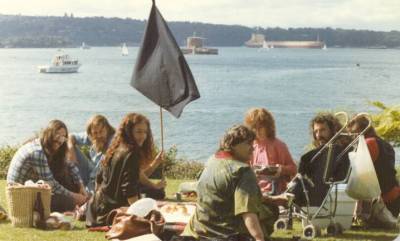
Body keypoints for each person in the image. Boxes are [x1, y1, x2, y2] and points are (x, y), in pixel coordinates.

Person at [182, 125, 278, 241]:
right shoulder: (243, 171)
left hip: (199, 230)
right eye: (248, 144)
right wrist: (259, 238)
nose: (253, 149)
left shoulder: (212, 160)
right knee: (271, 210)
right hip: (228, 234)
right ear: (234, 145)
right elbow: (248, 213)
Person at [86, 113, 165, 227]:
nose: (142, 136)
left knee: (156, 192)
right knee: (154, 199)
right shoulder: (131, 153)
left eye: (145, 132)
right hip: (110, 212)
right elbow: (129, 190)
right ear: (129, 131)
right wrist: (141, 216)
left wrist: (156, 164)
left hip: (96, 207)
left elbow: (135, 176)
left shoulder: (117, 146)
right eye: (138, 131)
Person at [7, 120, 88, 212]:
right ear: (49, 134)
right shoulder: (37, 153)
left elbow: (70, 165)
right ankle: (79, 204)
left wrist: (80, 186)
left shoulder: (44, 145)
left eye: (64, 137)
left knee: (68, 178)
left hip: (33, 188)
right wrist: (75, 197)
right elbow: (52, 184)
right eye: (57, 135)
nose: (60, 140)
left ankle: (81, 201)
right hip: (21, 196)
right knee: (68, 202)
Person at [288, 113, 350, 206]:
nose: (318, 135)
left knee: (298, 183)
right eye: (316, 131)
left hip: (327, 195)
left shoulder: (339, 151)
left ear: (333, 130)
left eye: (322, 130)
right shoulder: (320, 153)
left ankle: (285, 199)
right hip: (321, 193)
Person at [348, 115, 400, 223]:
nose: (352, 137)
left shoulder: (368, 144)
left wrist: (357, 210)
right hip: (395, 196)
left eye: (352, 133)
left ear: (358, 131)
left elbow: (361, 179)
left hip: (382, 204)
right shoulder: (385, 144)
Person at [244, 108, 297, 195]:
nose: (257, 131)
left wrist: (280, 169)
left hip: (274, 192)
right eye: (254, 128)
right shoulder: (251, 146)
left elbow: (293, 169)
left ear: (268, 126)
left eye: (260, 127)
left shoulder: (278, 145)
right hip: (255, 190)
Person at [68, 115, 115, 193]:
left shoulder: (113, 140)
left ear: (107, 129)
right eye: (95, 133)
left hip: (106, 180)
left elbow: (102, 171)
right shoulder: (92, 137)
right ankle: (75, 185)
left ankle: (85, 191)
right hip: (92, 173)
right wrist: (70, 149)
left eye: (101, 131)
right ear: (91, 133)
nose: (99, 135)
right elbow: (70, 136)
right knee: (70, 147)